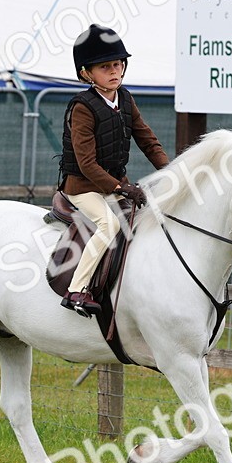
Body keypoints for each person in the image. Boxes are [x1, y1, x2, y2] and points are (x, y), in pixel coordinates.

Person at [58, 23, 170, 317]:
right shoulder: (82, 107)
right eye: (105, 66)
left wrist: (173, 172)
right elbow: (87, 164)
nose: (114, 71)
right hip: (82, 187)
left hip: (113, 184)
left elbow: (148, 141)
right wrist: (121, 188)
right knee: (109, 225)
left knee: (146, 219)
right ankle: (76, 290)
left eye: (118, 64)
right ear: (86, 73)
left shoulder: (127, 99)